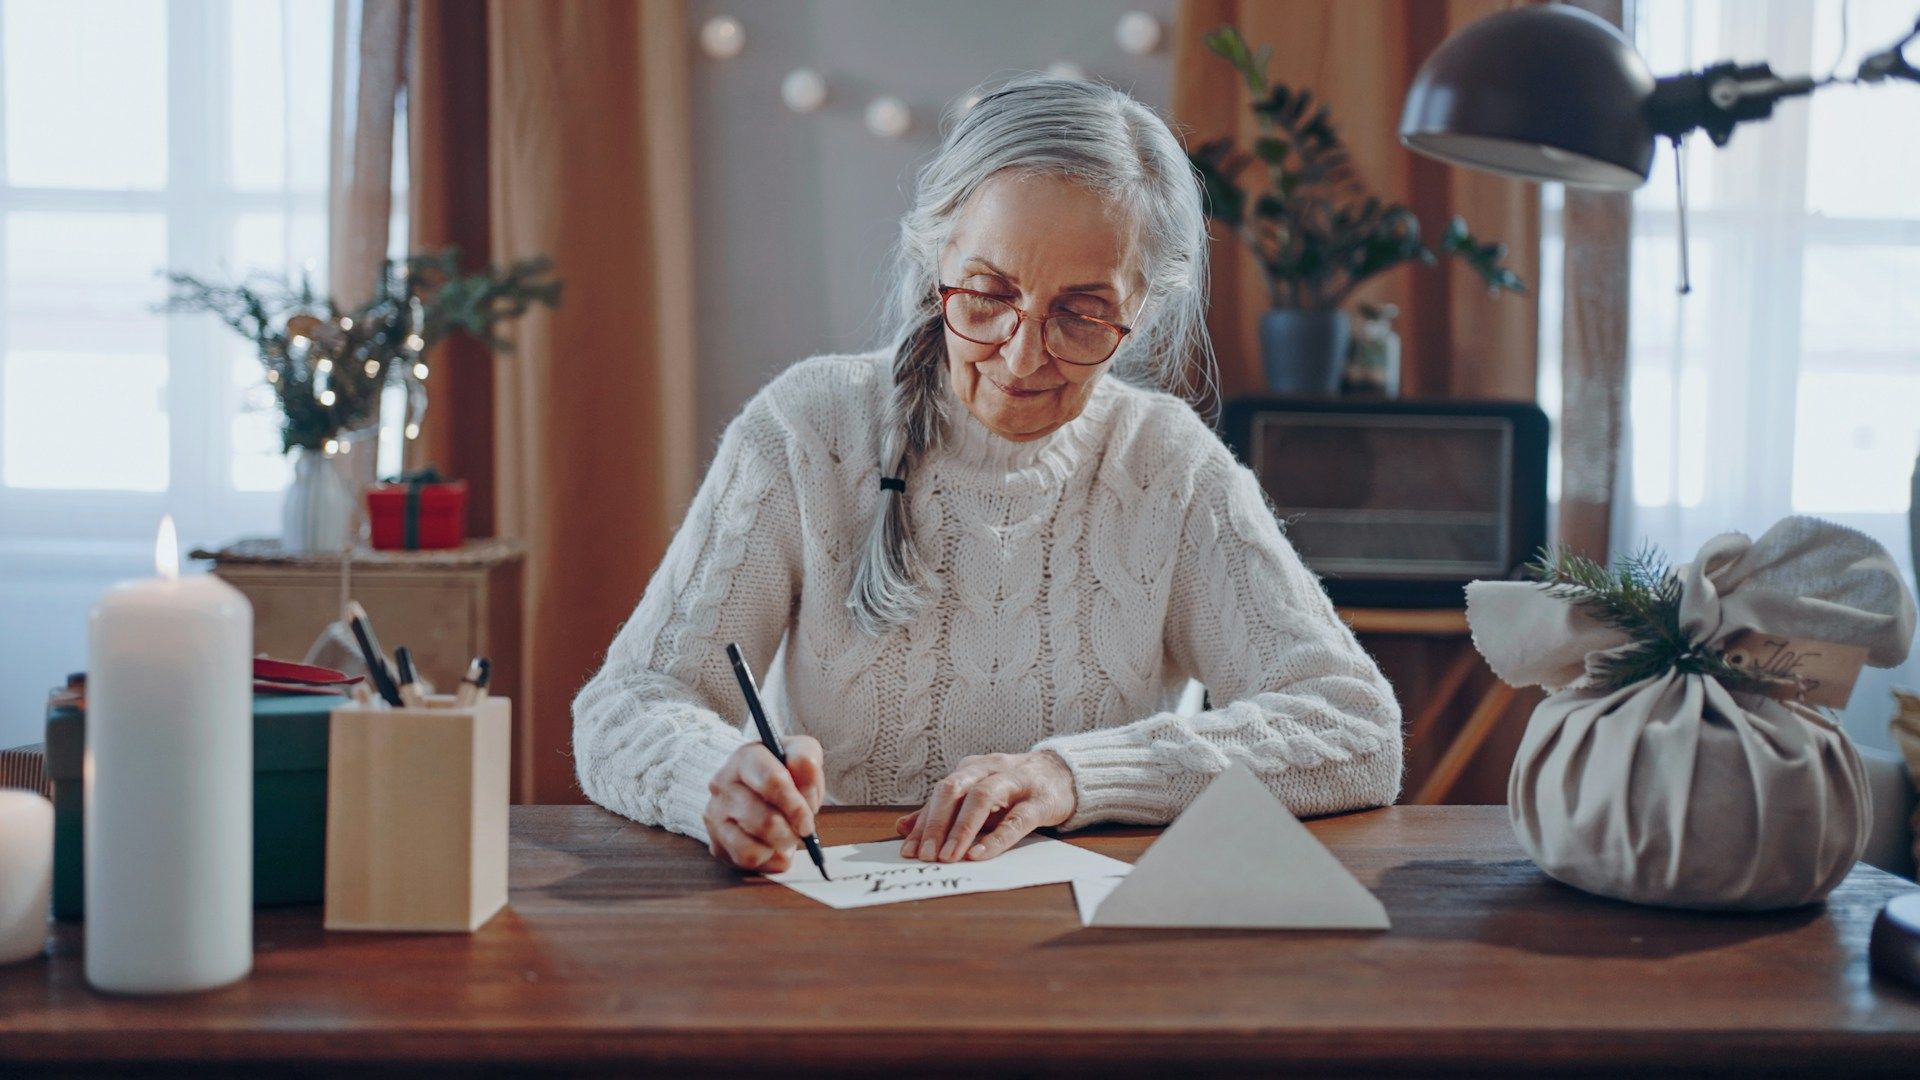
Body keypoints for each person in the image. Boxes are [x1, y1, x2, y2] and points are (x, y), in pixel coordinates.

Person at [574, 74, 1402, 874]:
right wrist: (711, 779)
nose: (1022, 354)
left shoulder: (1167, 466)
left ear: (1143, 308)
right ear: (936, 259)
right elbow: (625, 706)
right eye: (988, 293)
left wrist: (1070, 776)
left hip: (1089, 954)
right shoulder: (808, 430)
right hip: (837, 943)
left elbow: (1354, 727)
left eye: (1081, 314)